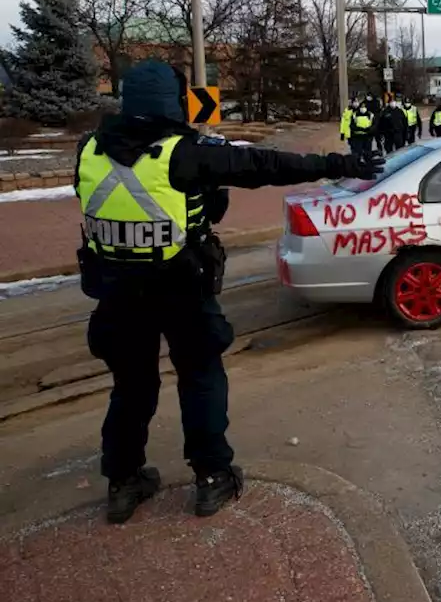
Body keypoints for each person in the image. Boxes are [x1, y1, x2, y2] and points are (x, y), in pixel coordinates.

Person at [75, 61, 381, 524]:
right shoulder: (188, 152)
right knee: (200, 380)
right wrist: (339, 164)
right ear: (172, 101)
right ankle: (212, 478)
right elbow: (267, 165)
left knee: (131, 388)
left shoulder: (88, 149)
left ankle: (123, 482)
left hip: (117, 294)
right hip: (181, 292)